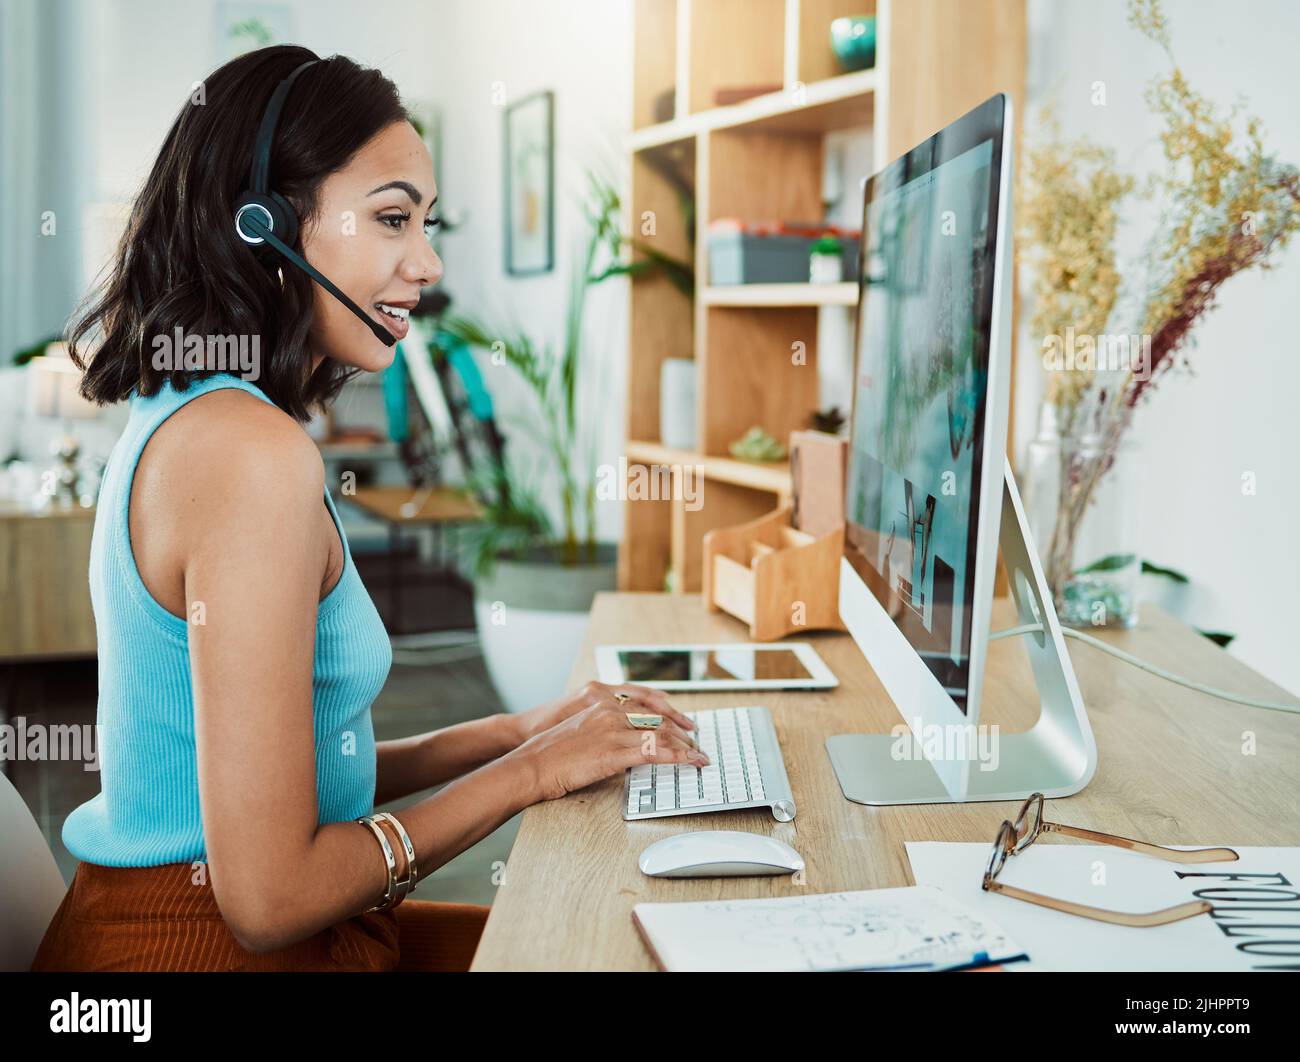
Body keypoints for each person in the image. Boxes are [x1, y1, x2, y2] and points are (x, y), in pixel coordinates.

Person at [30, 44, 707, 973]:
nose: (426, 263)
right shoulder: (246, 456)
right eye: (393, 218)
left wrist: (518, 730)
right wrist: (532, 774)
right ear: (263, 224)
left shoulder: (200, 417)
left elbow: (299, 776)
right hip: (193, 952)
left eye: (429, 223)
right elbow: (270, 899)